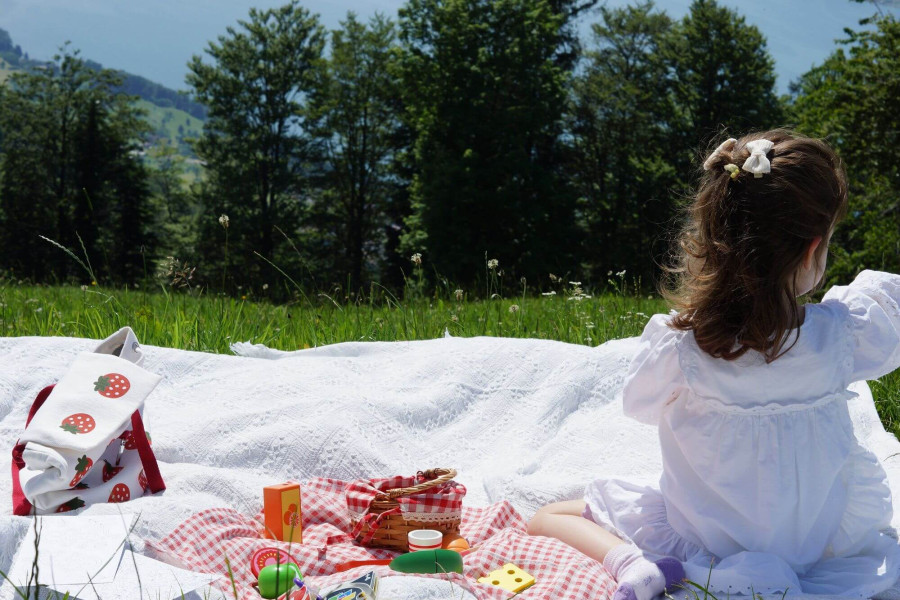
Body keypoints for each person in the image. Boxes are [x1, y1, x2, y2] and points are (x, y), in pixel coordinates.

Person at [528, 130, 900, 599]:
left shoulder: (681, 347)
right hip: (818, 548)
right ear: (812, 250)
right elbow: (889, 308)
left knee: (548, 516)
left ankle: (637, 566)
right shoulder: (844, 335)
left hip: (706, 547)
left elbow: (637, 406)